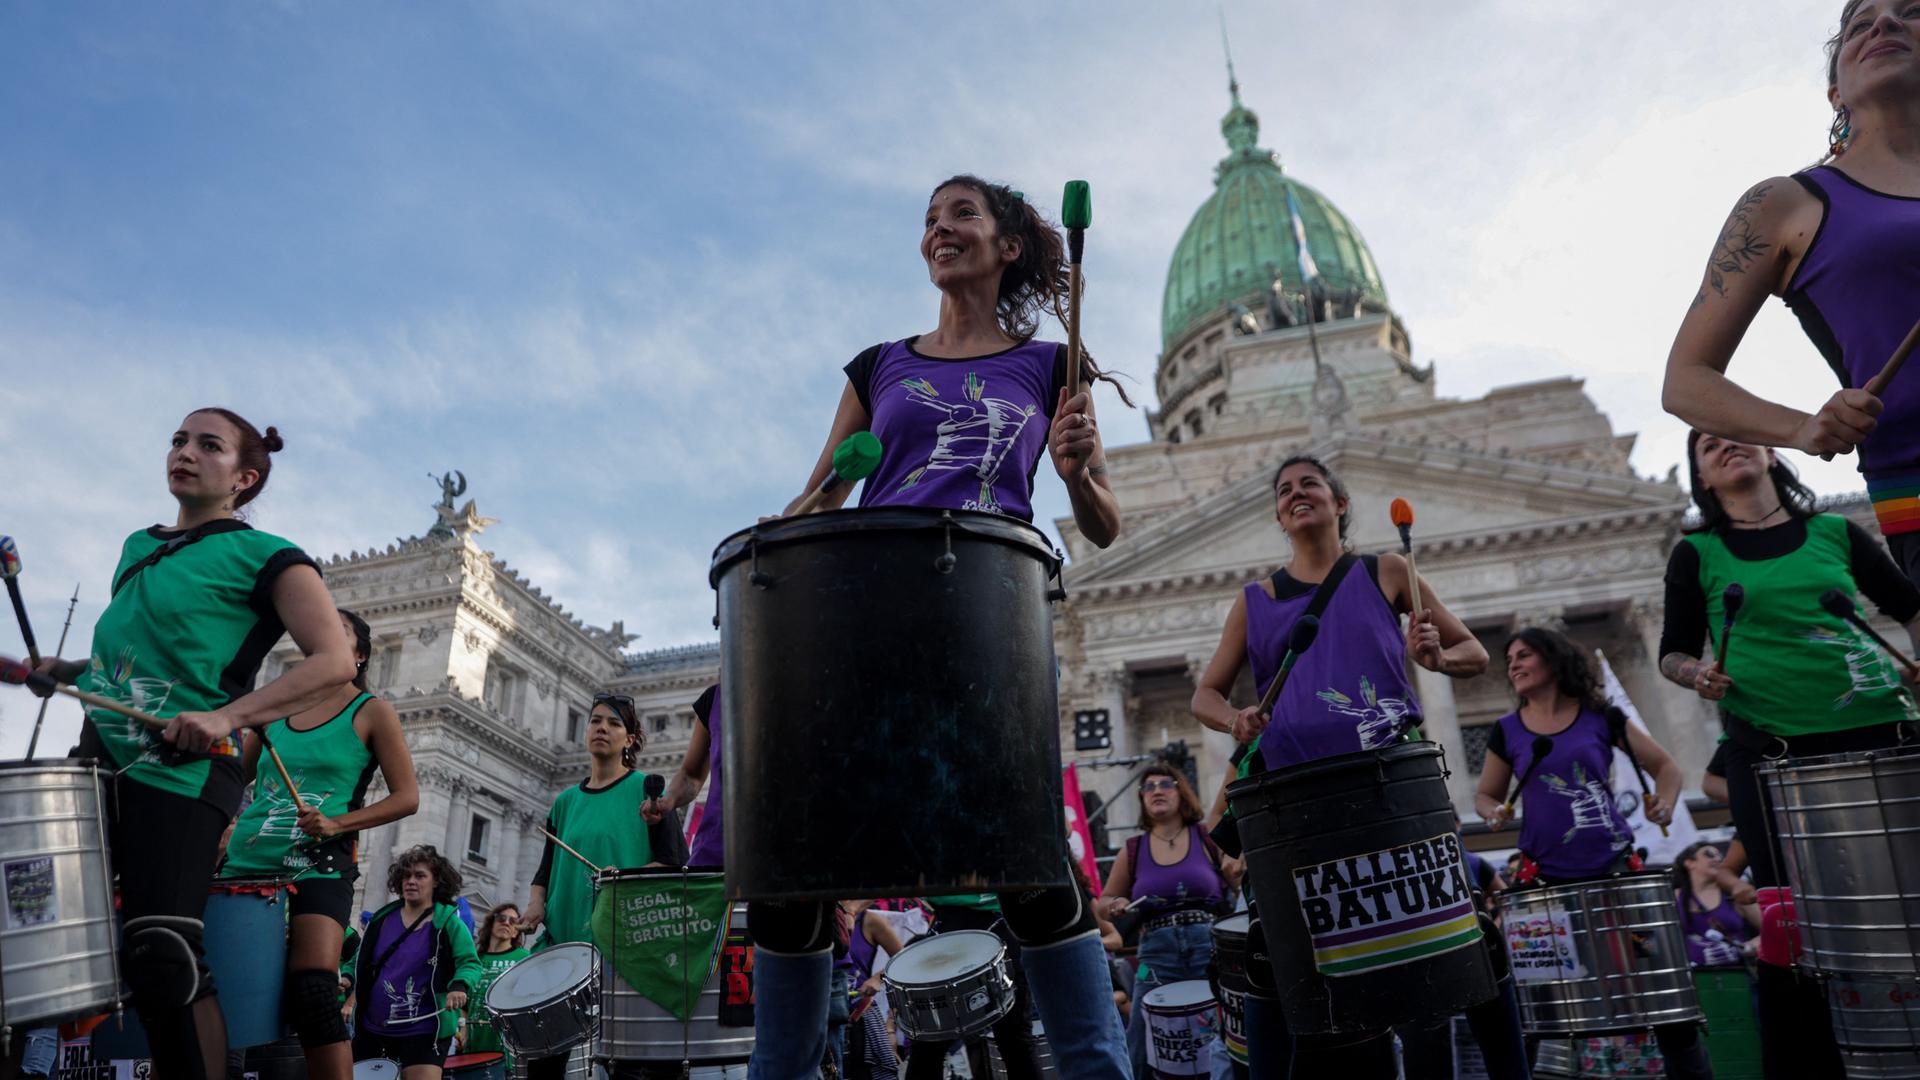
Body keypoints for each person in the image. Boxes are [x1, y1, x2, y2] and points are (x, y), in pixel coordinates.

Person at [750, 174, 1131, 1080]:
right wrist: (799, 511)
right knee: (799, 873)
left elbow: (1106, 520)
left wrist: (1077, 473)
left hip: (987, 624)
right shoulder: (878, 365)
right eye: (929, 220)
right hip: (867, 616)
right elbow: (817, 500)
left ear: (1006, 246)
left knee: (1030, 869)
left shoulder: (1051, 366)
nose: (939, 231)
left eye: (961, 214)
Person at [27, 408, 356, 1080]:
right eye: (178, 440)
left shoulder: (269, 556)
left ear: (245, 477)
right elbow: (127, 668)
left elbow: (333, 662)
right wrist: (57, 674)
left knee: (162, 950)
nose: (185, 452)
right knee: (37, 932)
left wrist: (227, 717)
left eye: (209, 445)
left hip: (184, 771)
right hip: (97, 762)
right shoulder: (136, 548)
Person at [1190, 454, 1492, 1079]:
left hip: (1391, 790)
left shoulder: (1386, 571)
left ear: (1340, 503)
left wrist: (1434, 660)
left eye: (1311, 484)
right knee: (1296, 968)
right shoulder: (1256, 600)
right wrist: (1235, 719)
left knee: (1421, 963)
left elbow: (1474, 654)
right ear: (1278, 514)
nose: (1297, 494)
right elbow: (1205, 696)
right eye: (1285, 491)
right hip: (1295, 803)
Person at [1657, 429, 1920, 1075]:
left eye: (1739, 438)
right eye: (1709, 445)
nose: (1727, 447)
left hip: (1877, 735)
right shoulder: (1696, 552)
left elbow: (1909, 607)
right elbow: (1673, 650)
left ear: (1771, 453)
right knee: (1785, 921)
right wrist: (1699, 676)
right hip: (1768, 752)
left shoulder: (1835, 532)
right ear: (1702, 476)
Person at [1661, 0, 1920, 588]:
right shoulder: (1785, 204)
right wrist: (1803, 428)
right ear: (1836, 91)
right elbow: (1686, 381)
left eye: (1912, 11)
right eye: (1859, 24)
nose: (1883, 24)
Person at [1475, 627, 1707, 1078]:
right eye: (1510, 660)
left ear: (1553, 659)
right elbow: (1486, 795)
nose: (1514, 665)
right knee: (1536, 1010)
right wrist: (1493, 813)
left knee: (1662, 1000)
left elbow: (1666, 768)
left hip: (1617, 876)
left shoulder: (1603, 716)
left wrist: (1664, 801)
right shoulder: (1505, 730)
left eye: (1524, 655)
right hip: (1543, 887)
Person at [219, 606, 419, 1080]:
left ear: (360, 654)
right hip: (247, 861)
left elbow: (407, 797)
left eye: (340, 630)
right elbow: (231, 778)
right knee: (223, 988)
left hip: (317, 861)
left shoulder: (372, 711)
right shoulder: (277, 708)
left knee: (312, 990)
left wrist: (337, 823)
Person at [519, 693, 687, 1080]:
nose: (602, 729)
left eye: (614, 723)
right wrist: (534, 906)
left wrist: (625, 878)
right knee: (543, 1065)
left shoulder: (648, 789)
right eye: (595, 721)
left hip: (624, 945)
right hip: (563, 945)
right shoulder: (564, 802)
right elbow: (545, 871)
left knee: (629, 1065)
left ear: (630, 739)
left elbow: (675, 861)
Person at [1095, 764, 1235, 1078]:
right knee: (1141, 1034)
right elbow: (1102, 904)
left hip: (1208, 948)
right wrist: (1115, 903)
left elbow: (1240, 885)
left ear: (1182, 792)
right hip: (1154, 956)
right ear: (1142, 799)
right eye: (1148, 787)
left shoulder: (1206, 837)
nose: (1157, 790)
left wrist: (1235, 870)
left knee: (1222, 1028)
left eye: (1165, 784)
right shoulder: (1132, 849)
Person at [351, 846, 483, 1080]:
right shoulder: (381, 920)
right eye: (406, 875)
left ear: (436, 882)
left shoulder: (450, 923)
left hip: (425, 1030)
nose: (410, 881)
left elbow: (470, 963)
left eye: (420, 875)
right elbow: (359, 960)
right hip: (373, 1029)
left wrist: (459, 985)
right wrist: (345, 977)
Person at [840, 900, 908, 1080]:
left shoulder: (869, 920)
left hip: (859, 1015)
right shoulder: (820, 919)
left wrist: (877, 979)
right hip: (820, 1013)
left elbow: (903, 958)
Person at [461, 903, 530, 1063]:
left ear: (516, 931)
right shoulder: (474, 959)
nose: (506, 923)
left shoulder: (525, 958)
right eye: (501, 918)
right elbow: (463, 1004)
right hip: (474, 1043)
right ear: (491, 923)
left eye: (513, 921)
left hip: (509, 1046)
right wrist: (463, 1028)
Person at [1672, 843, 1759, 968]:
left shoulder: (1734, 893)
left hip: (1738, 975)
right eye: (1710, 855)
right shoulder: (1674, 897)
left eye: (1720, 856)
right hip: (1693, 977)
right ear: (1690, 862)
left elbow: (1771, 930)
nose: (1718, 859)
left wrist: (1747, 947)